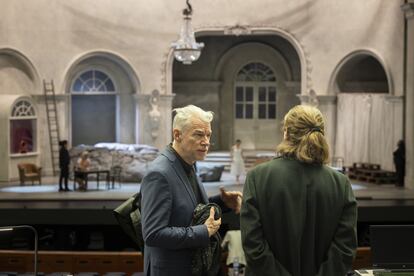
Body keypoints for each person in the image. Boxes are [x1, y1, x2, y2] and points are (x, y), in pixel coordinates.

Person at [240, 105, 357, 276]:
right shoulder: (341, 183)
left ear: (286, 133)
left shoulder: (257, 177)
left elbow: (253, 245)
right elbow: (344, 248)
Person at [140, 105, 243, 276]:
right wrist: (203, 232)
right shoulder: (160, 173)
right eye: (198, 134)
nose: (206, 141)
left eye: (208, 135)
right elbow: (153, 233)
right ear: (177, 134)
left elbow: (187, 208)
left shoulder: (187, 163)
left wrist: (222, 202)